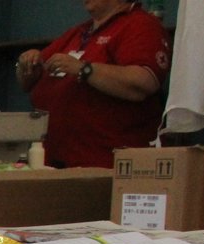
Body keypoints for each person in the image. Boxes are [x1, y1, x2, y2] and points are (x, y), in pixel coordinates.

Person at [16, 0, 170, 169]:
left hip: (107, 167)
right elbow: (26, 83)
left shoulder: (141, 24)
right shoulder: (79, 32)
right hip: (56, 164)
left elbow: (142, 83)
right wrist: (28, 65)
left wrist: (85, 69)